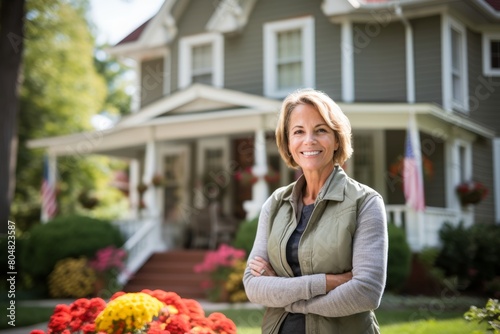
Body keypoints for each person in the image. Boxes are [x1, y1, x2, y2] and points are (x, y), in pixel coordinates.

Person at [243, 89, 388, 334]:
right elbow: (253, 285)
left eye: (321, 130)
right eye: (298, 131)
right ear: (288, 143)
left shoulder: (365, 202)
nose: (309, 140)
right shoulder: (275, 203)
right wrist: (328, 282)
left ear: (337, 139)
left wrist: (288, 297)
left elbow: (366, 292)